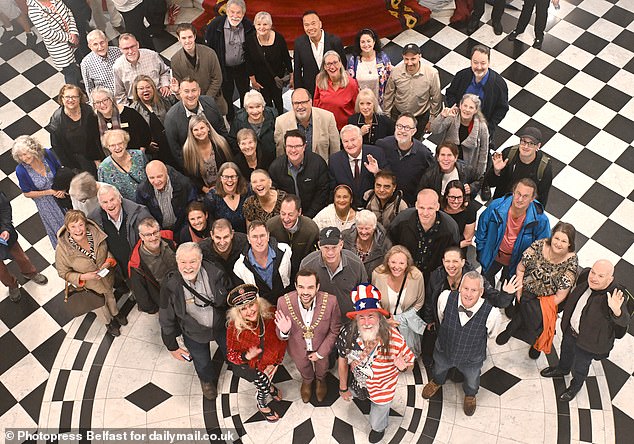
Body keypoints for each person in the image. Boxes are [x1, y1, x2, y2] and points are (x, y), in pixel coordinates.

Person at [540, 260, 630, 402]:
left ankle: (575, 386)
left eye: (600, 276)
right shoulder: (585, 277)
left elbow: (623, 322)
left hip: (589, 343)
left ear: (610, 279)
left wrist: (616, 311)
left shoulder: (616, 295)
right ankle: (562, 369)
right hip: (571, 331)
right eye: (593, 272)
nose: (593, 278)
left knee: (581, 366)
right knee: (565, 351)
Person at [337, 283, 414, 443]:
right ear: (355, 318)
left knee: (377, 418)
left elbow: (410, 362)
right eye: (361, 317)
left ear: (379, 316)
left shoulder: (394, 339)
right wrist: (343, 387)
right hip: (359, 383)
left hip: (382, 389)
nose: (366, 322)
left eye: (371, 315)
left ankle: (379, 428)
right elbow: (343, 360)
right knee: (359, 394)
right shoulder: (348, 334)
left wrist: (405, 367)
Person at [421, 271, 506, 416]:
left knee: (472, 379)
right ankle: (437, 382)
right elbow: (441, 318)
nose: (468, 294)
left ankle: (470, 395)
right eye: (466, 288)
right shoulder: (446, 297)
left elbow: (491, 335)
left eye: (474, 290)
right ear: (460, 287)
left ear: (481, 292)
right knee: (439, 369)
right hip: (444, 350)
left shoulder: (492, 314)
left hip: (471, 358)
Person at [420, 247, 516, 368]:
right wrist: (429, 319)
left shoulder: (474, 278)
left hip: (466, 319)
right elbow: (430, 299)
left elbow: (496, 299)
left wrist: (506, 294)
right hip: (445, 319)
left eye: (455, 261)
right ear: (443, 261)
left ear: (463, 262)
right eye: (448, 261)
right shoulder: (436, 276)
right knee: (437, 346)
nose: (451, 265)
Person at [496, 222, 578, 360]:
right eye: (557, 238)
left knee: (539, 324)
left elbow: (560, 295)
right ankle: (509, 331)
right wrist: (520, 293)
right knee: (519, 315)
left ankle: (536, 345)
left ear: (570, 244)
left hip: (547, 301)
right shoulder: (538, 246)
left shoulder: (571, 262)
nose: (558, 243)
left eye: (564, 241)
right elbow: (521, 269)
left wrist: (539, 308)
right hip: (526, 292)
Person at [160, 242, 230, 400]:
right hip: (193, 332)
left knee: (230, 350)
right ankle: (206, 381)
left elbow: (229, 297)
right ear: (177, 262)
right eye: (183, 262)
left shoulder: (216, 273)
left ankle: (235, 364)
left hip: (220, 326)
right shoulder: (170, 284)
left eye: (192, 261)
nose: (187, 267)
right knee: (201, 360)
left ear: (201, 259)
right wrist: (171, 345)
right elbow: (166, 316)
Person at [56, 210, 127, 336]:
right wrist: (83, 277)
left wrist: (108, 262)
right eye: (73, 226)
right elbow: (63, 272)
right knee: (100, 306)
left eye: (80, 225)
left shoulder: (96, 234)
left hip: (106, 278)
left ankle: (116, 313)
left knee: (110, 297)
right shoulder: (63, 249)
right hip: (89, 286)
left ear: (86, 224)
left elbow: (108, 250)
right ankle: (109, 322)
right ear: (68, 228)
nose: (78, 230)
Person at [275, 268, 342, 403]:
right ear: (295, 286)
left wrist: (321, 353)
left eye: (310, 287)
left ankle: (321, 380)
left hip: (321, 347)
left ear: (317, 287)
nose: (305, 292)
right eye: (301, 287)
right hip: (298, 348)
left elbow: (335, 330)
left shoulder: (331, 302)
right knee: (303, 367)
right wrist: (284, 331)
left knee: (322, 367)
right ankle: (307, 381)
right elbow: (280, 336)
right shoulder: (283, 302)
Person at [226, 283, 287, 421]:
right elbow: (230, 355)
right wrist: (246, 356)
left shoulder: (272, 313)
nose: (249, 311)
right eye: (243, 308)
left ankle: (270, 387)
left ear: (258, 303)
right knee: (263, 387)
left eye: (251, 305)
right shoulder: (233, 328)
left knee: (269, 379)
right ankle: (262, 403)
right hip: (251, 367)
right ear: (238, 312)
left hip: (271, 361)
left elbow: (281, 341)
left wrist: (277, 361)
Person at [475, 178, 551, 287]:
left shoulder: (541, 220)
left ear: (532, 199)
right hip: (492, 255)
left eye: (525, 196)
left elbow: (542, 248)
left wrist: (527, 267)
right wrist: (482, 250)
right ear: (513, 192)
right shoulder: (496, 206)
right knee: (484, 285)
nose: (520, 199)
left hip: (517, 264)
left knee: (507, 293)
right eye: (518, 194)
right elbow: (482, 227)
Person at [444, 45, 509, 152]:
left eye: (483, 63)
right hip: (458, 127)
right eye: (475, 62)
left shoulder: (499, 84)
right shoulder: (462, 76)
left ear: (489, 62)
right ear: (471, 61)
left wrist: (489, 127)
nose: (479, 67)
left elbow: (502, 108)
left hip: (480, 131)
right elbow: (450, 93)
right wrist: (454, 106)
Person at [388, 189, 460, 283]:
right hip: (404, 274)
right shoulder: (401, 221)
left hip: (434, 278)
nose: (425, 213)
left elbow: (453, 255)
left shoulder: (450, 228)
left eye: (430, 208)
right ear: (416, 205)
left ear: (437, 207)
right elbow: (390, 246)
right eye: (422, 208)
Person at [300, 227, 368, 321]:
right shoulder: (307, 264)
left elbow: (364, 292)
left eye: (334, 247)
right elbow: (302, 294)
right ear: (319, 245)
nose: (330, 252)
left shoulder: (355, 263)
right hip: (319, 322)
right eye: (326, 248)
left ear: (341, 245)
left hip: (349, 320)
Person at [88, 183, 152, 281]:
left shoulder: (140, 214)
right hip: (120, 272)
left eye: (112, 199)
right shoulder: (94, 219)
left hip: (144, 268)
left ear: (120, 198)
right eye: (105, 202)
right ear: (100, 204)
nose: (110, 205)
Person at [204, 0, 254, 122]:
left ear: (243, 14)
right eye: (232, 12)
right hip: (224, 68)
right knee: (227, 94)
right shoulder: (215, 25)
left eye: (239, 13)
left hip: (242, 67)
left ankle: (245, 116)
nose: (235, 16)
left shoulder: (248, 26)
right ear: (227, 11)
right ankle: (231, 118)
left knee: (245, 92)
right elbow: (209, 49)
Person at [13, 136, 66, 248]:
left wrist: (63, 189)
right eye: (21, 155)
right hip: (46, 204)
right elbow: (27, 193)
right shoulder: (21, 170)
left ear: (34, 149)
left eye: (26, 153)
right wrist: (49, 192)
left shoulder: (46, 154)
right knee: (60, 231)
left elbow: (61, 170)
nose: (24, 158)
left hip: (62, 194)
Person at [372, 245, 425, 356]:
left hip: (407, 322)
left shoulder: (416, 276)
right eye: (393, 262)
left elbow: (419, 301)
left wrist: (401, 319)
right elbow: (374, 300)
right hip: (384, 321)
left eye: (401, 263)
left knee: (407, 355)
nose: (397, 267)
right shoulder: (378, 274)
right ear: (387, 262)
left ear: (407, 264)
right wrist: (385, 320)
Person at [164, 78, 229, 166]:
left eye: (194, 90)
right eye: (186, 91)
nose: (190, 95)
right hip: (192, 163)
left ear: (199, 91)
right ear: (180, 93)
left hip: (217, 155)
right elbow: (176, 151)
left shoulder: (210, 102)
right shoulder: (171, 118)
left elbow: (222, 130)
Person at [383, 44, 442, 139]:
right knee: (396, 139)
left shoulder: (432, 74)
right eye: (406, 59)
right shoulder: (396, 72)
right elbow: (388, 95)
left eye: (413, 59)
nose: (409, 63)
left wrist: (432, 120)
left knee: (416, 143)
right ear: (403, 58)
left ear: (420, 57)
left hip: (420, 117)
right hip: (398, 114)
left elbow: (436, 98)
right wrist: (386, 116)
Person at [269, 129, 330, 218]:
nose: (293, 150)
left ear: (304, 146)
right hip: (287, 217)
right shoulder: (275, 167)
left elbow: (322, 194)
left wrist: (308, 216)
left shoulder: (318, 164)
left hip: (315, 215)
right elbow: (274, 196)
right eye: (290, 146)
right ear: (285, 147)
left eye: (297, 146)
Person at [485, 127, 553, 207]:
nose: (526, 146)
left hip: (524, 210)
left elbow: (541, 201)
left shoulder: (544, 168)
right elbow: (490, 183)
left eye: (531, 143)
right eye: (523, 141)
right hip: (501, 204)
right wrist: (496, 171)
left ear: (538, 146)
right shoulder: (508, 154)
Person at [376, 113, 434, 206]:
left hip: (409, 203)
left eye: (407, 128)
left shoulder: (424, 154)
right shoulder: (383, 145)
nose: (402, 131)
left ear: (414, 131)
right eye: (399, 126)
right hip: (384, 200)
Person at [0, 192, 48, 303]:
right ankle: (11, 285)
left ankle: (30, 273)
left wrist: (6, 229)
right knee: (1, 271)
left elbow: (5, 209)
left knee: (21, 257)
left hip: (5, 236)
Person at [171, 23, 227, 116]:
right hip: (192, 106)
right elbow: (181, 87)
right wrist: (194, 101)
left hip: (214, 102)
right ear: (178, 38)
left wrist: (205, 100)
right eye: (184, 38)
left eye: (190, 37)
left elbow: (217, 79)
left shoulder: (209, 53)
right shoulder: (175, 60)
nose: (187, 41)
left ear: (195, 36)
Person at [47, 84, 102, 176]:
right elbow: (58, 148)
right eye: (67, 97)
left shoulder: (88, 111)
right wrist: (72, 169)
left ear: (79, 98)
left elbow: (95, 135)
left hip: (94, 153)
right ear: (62, 99)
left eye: (74, 97)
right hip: (75, 161)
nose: (71, 100)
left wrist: (97, 159)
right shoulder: (57, 121)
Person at [233, 220, 292, 306]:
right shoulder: (240, 267)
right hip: (260, 310)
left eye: (262, 236)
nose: (259, 241)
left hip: (286, 304)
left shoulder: (285, 251)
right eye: (254, 237)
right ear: (248, 239)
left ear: (268, 236)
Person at [245, 11, 293, 115]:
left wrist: (292, 75)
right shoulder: (250, 40)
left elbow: (286, 57)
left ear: (270, 25)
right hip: (261, 80)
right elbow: (248, 62)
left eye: (265, 24)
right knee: (266, 102)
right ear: (255, 25)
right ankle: (270, 120)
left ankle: (280, 118)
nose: (261, 27)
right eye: (258, 24)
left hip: (277, 78)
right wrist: (253, 81)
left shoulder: (279, 39)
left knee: (278, 100)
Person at [274, 88, 340, 162]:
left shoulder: (328, 118)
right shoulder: (281, 122)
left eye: (303, 102)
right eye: (296, 103)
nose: (300, 107)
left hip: (322, 170)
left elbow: (335, 152)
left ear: (310, 101)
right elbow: (280, 156)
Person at [430, 93, 489, 177]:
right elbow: (434, 130)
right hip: (445, 161)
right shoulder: (452, 117)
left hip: (466, 168)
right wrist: (442, 116)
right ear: (460, 106)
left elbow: (484, 151)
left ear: (476, 110)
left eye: (471, 107)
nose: (467, 109)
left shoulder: (482, 127)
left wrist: (479, 174)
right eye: (465, 106)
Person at [128, 217, 177, 313]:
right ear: (141, 236)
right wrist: (158, 309)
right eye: (148, 235)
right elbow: (141, 295)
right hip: (165, 301)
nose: (153, 238)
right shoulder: (137, 264)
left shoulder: (168, 241)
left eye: (155, 232)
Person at [328, 125, 385, 208]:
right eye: (346, 141)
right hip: (347, 209)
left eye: (353, 140)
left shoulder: (376, 153)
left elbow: (389, 180)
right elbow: (332, 190)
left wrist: (377, 172)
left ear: (361, 139)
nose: (350, 144)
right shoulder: (335, 160)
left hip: (374, 207)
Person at [27, 0, 81, 85]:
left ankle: (80, 85)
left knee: (76, 65)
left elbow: (68, 13)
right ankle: (73, 95)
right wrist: (70, 37)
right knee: (69, 72)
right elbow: (48, 33)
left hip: (72, 38)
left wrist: (73, 32)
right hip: (59, 46)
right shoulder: (34, 11)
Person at [293, 10, 346, 97]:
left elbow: (343, 65)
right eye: (306, 25)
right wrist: (299, 92)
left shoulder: (334, 41)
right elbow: (297, 71)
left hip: (333, 88)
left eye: (313, 23)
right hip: (310, 90)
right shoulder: (299, 43)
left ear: (320, 24)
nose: (310, 28)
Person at [266, 194, 319, 280]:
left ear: (299, 212)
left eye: (290, 215)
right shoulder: (271, 226)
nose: (286, 219)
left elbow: (315, 257)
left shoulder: (311, 229)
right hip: (278, 275)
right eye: (283, 214)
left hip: (304, 274)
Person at [130, 75, 179, 166]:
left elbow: (179, 107)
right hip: (153, 153)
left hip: (173, 144)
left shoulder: (164, 99)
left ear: (153, 88)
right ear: (136, 91)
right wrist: (146, 144)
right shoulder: (133, 110)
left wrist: (177, 93)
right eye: (141, 88)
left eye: (148, 87)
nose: (145, 90)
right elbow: (134, 134)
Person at [134, 160, 196, 232]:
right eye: (152, 178)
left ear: (166, 173)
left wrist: (185, 230)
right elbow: (143, 215)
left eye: (159, 176)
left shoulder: (184, 184)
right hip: (158, 232)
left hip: (182, 228)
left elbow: (192, 207)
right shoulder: (142, 190)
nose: (156, 181)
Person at [181, 115, 233, 195]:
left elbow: (230, 167)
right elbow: (190, 176)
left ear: (208, 128)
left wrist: (222, 185)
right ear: (192, 133)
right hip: (203, 192)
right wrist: (205, 189)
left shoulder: (221, 143)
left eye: (202, 128)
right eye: (196, 130)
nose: (200, 132)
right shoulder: (188, 150)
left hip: (226, 186)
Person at [91, 86, 151, 153]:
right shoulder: (92, 119)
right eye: (97, 102)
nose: (102, 105)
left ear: (111, 99)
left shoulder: (129, 113)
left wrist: (140, 153)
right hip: (108, 161)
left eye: (105, 100)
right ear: (94, 105)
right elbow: (92, 146)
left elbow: (145, 134)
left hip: (134, 157)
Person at [113, 34, 170, 104]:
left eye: (132, 46)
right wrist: (130, 110)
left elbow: (164, 72)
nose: (130, 51)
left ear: (137, 44)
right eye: (126, 48)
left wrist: (165, 85)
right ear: (120, 49)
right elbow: (119, 94)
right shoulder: (118, 67)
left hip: (159, 96)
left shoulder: (152, 55)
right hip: (136, 103)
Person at [417, 141, 482, 199]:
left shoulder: (466, 169)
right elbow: (420, 193)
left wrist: (471, 187)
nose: (446, 159)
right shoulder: (429, 175)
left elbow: (480, 179)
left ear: (455, 157)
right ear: (437, 157)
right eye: (442, 155)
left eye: (449, 155)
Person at [228, 90, 276, 166]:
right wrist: (245, 151)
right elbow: (232, 140)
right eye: (251, 107)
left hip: (272, 160)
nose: (255, 111)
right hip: (249, 162)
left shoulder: (273, 116)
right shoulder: (238, 121)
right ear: (246, 109)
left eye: (258, 106)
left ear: (263, 107)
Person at [313, 50, 359, 131]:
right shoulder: (319, 80)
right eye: (329, 64)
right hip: (325, 128)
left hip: (345, 129)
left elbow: (357, 108)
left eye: (335, 62)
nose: (332, 67)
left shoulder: (351, 83)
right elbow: (316, 104)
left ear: (340, 63)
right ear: (324, 66)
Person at [98, 129, 148, 201]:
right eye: (112, 145)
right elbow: (105, 193)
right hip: (128, 208)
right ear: (107, 147)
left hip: (149, 202)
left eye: (120, 143)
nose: (117, 147)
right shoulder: (104, 168)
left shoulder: (139, 156)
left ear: (125, 143)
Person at [347, 29, 392, 107]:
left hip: (380, 103)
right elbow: (350, 82)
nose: (366, 44)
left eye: (368, 41)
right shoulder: (353, 60)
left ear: (374, 42)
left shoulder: (382, 57)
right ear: (359, 44)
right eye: (363, 42)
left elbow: (389, 78)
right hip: (362, 105)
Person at [200, 218, 248, 287]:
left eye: (226, 237)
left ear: (232, 234)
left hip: (243, 286)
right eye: (218, 237)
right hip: (218, 289)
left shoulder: (244, 241)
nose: (222, 242)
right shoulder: (202, 249)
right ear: (211, 235)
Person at [342, 210, 391, 278]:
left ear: (374, 228)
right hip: (349, 280)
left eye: (367, 229)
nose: (363, 232)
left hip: (373, 282)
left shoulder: (385, 244)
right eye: (360, 228)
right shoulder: (345, 237)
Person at [205, 162, 250, 233]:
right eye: (226, 177)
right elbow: (210, 223)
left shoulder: (247, 191)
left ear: (238, 178)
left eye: (233, 176)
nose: (229, 180)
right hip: (223, 237)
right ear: (220, 178)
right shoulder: (212, 197)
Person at [80, 30, 123, 99]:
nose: (100, 47)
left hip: (125, 95)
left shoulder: (118, 52)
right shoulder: (86, 63)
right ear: (90, 46)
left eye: (102, 42)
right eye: (95, 44)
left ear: (106, 41)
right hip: (107, 100)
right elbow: (89, 88)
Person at [441, 181, 476, 253]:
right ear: (446, 196)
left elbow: (467, 239)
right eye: (452, 197)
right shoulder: (439, 208)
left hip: (456, 250)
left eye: (459, 197)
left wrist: (445, 245)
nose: (456, 201)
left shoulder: (470, 209)